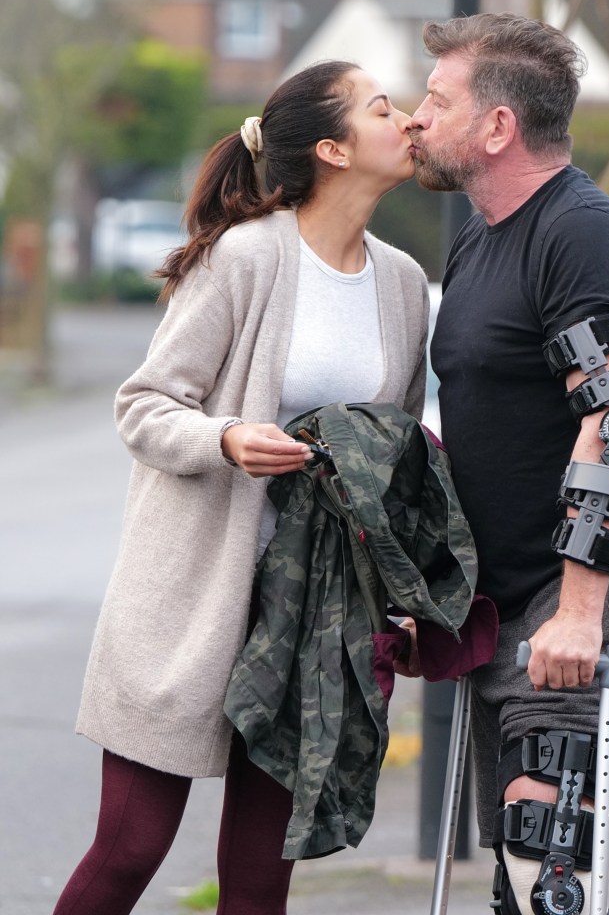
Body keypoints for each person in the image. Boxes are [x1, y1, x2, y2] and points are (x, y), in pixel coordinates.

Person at [53, 60, 428, 915]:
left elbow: (394, 460)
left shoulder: (403, 284)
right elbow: (143, 405)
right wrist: (224, 438)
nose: (406, 120)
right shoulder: (243, 259)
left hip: (312, 621)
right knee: (129, 850)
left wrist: (400, 598)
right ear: (332, 148)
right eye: (383, 108)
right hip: (189, 602)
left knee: (260, 881)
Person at [408, 13, 609, 914]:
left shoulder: (583, 235)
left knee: (547, 866)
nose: (415, 116)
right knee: (517, 880)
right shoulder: (483, 235)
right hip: (507, 599)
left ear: (497, 128)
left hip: (585, 598)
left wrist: (577, 611)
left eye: (436, 99)